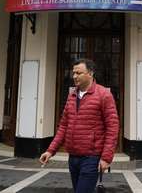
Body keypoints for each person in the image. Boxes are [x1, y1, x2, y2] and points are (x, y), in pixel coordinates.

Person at [39, 58, 119, 193]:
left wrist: (106, 158)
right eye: (74, 73)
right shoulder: (72, 95)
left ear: (90, 73)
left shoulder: (104, 94)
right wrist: (50, 150)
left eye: (79, 73)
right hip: (73, 158)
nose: (74, 76)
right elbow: (63, 126)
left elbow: (112, 127)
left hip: (91, 158)